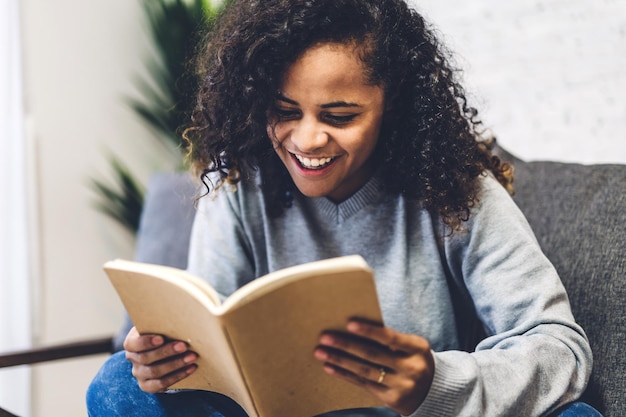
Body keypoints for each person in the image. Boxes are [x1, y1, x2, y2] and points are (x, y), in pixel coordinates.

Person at [87, 0, 603, 416]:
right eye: (284, 111)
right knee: (117, 384)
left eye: (339, 114)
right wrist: (167, 365)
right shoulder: (239, 181)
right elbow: (211, 341)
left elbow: (560, 348)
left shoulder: (455, 189)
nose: (307, 138)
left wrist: (436, 384)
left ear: (392, 104)